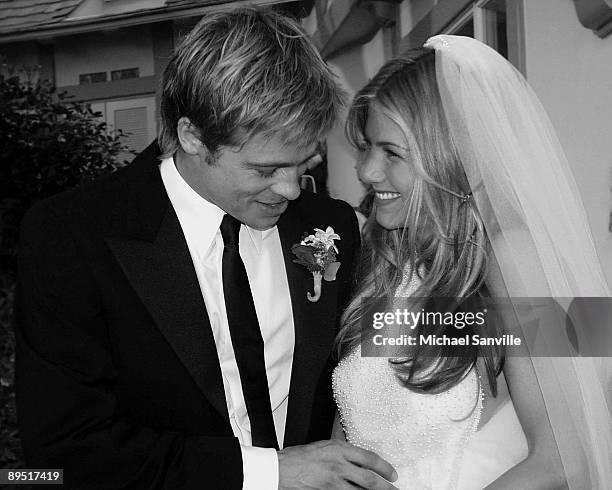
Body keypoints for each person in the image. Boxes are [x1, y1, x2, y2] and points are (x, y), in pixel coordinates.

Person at [15, 8, 399, 490]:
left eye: (304, 162)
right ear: (192, 135)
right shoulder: (72, 236)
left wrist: (509, 331)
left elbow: (389, 339)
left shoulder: (329, 225)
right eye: (265, 170)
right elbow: (65, 453)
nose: (290, 190)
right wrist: (268, 474)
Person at [332, 35, 612, 489]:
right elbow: (362, 422)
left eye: (392, 153)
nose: (366, 171)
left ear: (451, 156)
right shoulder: (392, 262)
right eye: (367, 147)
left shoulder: (516, 254)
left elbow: (566, 459)